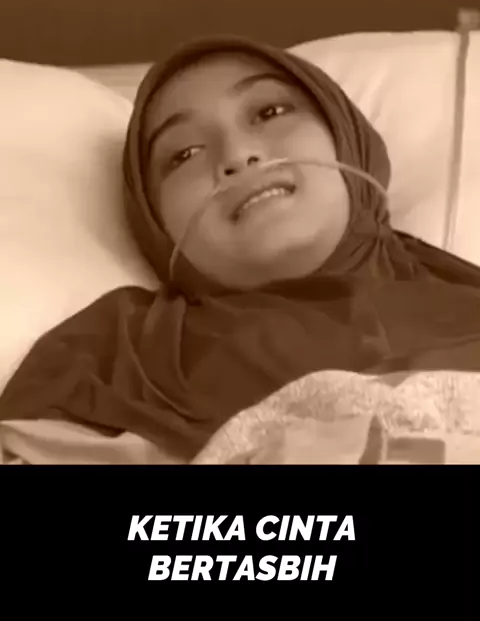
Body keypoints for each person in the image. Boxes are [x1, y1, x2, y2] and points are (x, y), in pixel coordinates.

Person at [1, 35, 480, 462]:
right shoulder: (114, 364)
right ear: (154, 222)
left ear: (346, 137)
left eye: (269, 113)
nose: (237, 155)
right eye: (184, 154)